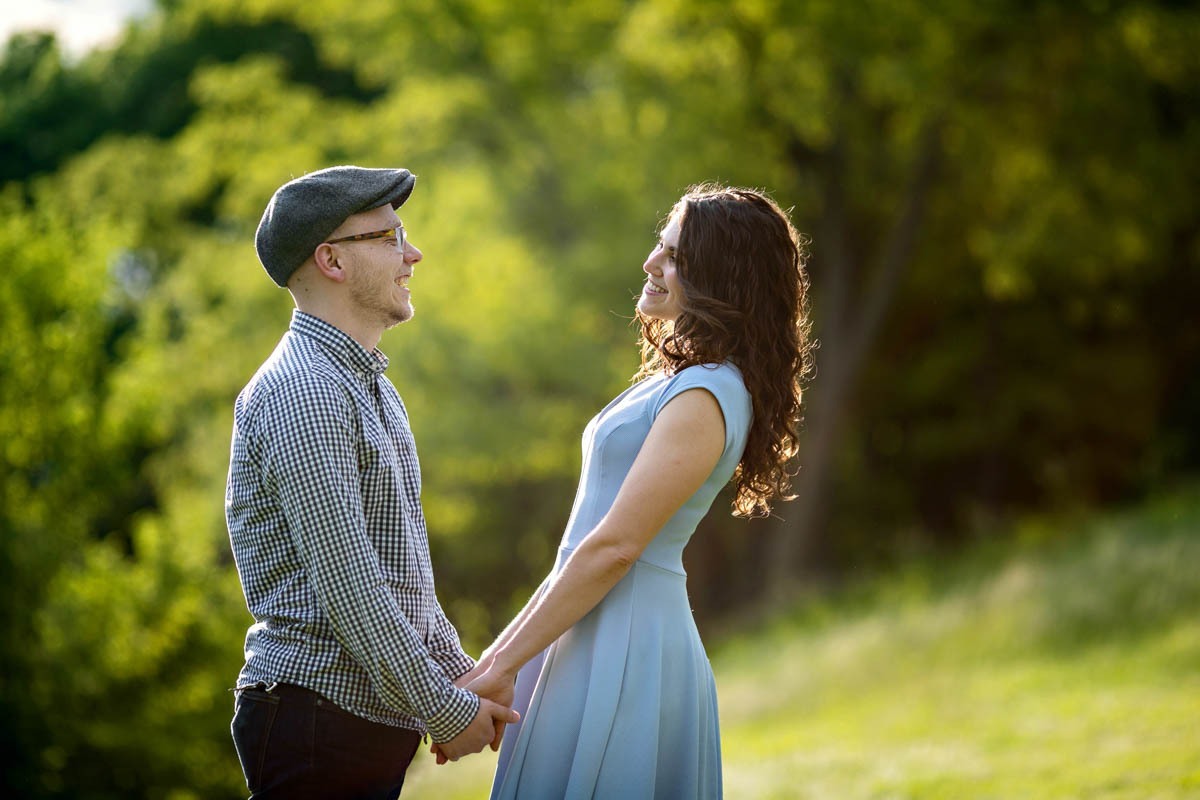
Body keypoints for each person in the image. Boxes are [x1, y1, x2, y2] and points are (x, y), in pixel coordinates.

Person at [447, 184, 814, 798]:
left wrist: (499, 668)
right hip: (588, 625)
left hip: (628, 644)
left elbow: (615, 547)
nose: (651, 263)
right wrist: (487, 669)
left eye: (674, 257)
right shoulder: (682, 380)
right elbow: (582, 550)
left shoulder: (707, 394)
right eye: (659, 246)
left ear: (722, 279)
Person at [225, 165, 517, 799]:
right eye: (388, 237)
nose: (413, 253)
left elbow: (402, 573)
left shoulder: (371, 386)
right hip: (314, 720)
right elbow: (352, 591)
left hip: (349, 722)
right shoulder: (304, 391)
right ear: (331, 260)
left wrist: (458, 681)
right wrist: (446, 708)